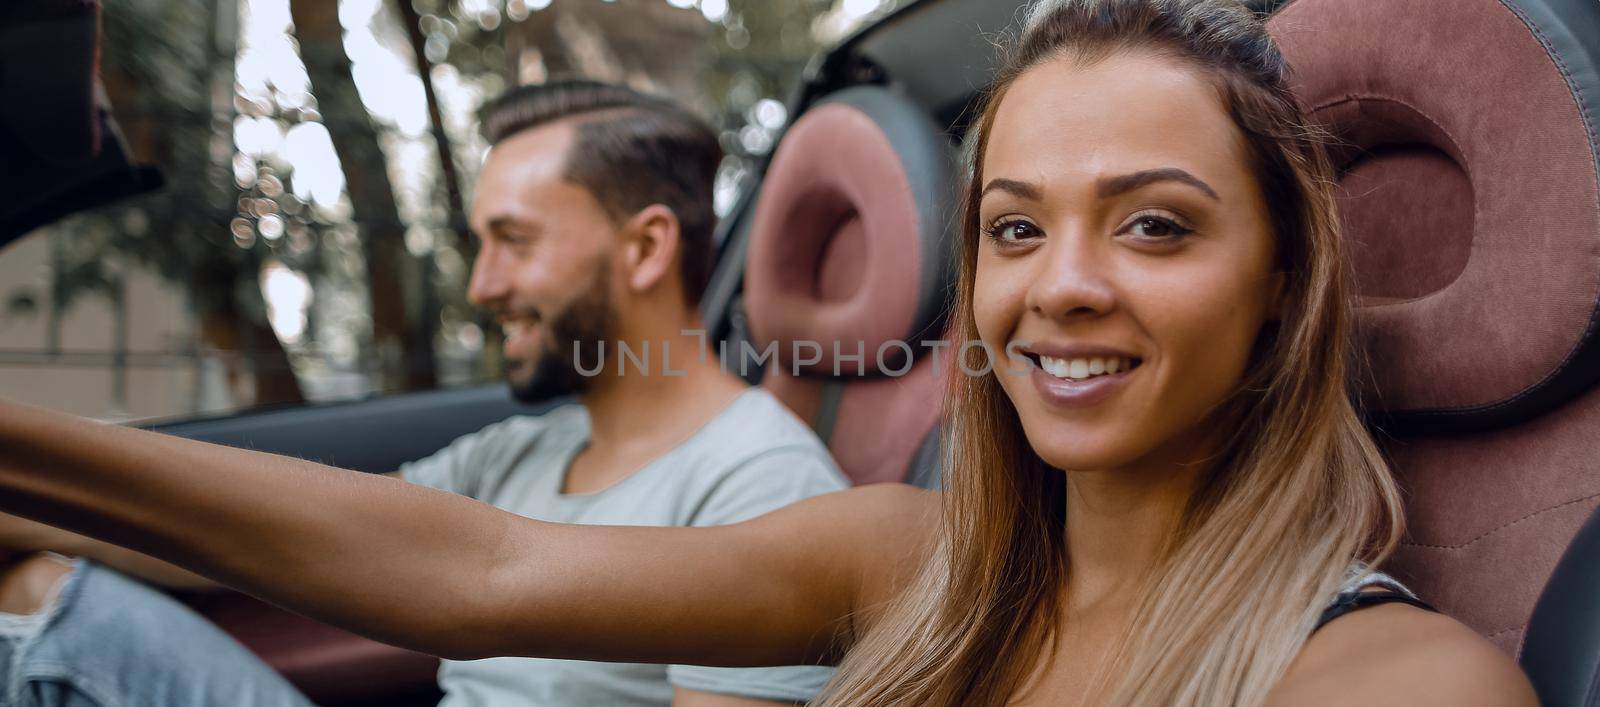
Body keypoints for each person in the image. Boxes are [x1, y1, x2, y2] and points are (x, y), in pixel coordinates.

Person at [0, 1, 1541, 704]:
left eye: (1151, 227)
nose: (1060, 287)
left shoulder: (1396, 678)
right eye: (1012, 228)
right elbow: (480, 574)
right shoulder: (908, 557)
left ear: (1280, 289)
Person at [0, 81, 846, 707]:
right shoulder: (522, 447)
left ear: (647, 247)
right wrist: (39, 504)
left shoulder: (763, 482)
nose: (481, 285)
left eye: (513, 241)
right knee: (39, 588)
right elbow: (301, 537)